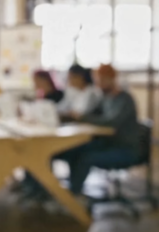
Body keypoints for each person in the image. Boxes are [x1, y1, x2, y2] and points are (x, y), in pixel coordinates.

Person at [54, 64, 140, 196]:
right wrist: (74, 116)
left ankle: (73, 194)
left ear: (112, 78)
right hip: (106, 143)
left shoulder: (124, 99)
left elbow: (111, 123)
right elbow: (92, 115)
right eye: (97, 80)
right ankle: (70, 192)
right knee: (74, 150)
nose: (99, 83)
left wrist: (82, 117)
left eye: (102, 80)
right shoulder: (104, 97)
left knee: (85, 157)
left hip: (124, 147)